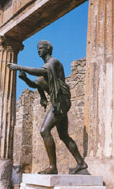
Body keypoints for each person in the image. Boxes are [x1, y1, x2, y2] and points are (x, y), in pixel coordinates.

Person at [7, 40, 87, 174]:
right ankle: (81, 163)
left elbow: (40, 72)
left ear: (48, 49)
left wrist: (19, 66)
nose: (38, 50)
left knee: (44, 131)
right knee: (63, 135)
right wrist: (24, 78)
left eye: (41, 48)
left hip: (61, 102)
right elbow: (36, 84)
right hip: (60, 102)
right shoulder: (46, 69)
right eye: (37, 48)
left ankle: (52, 167)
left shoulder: (53, 63)